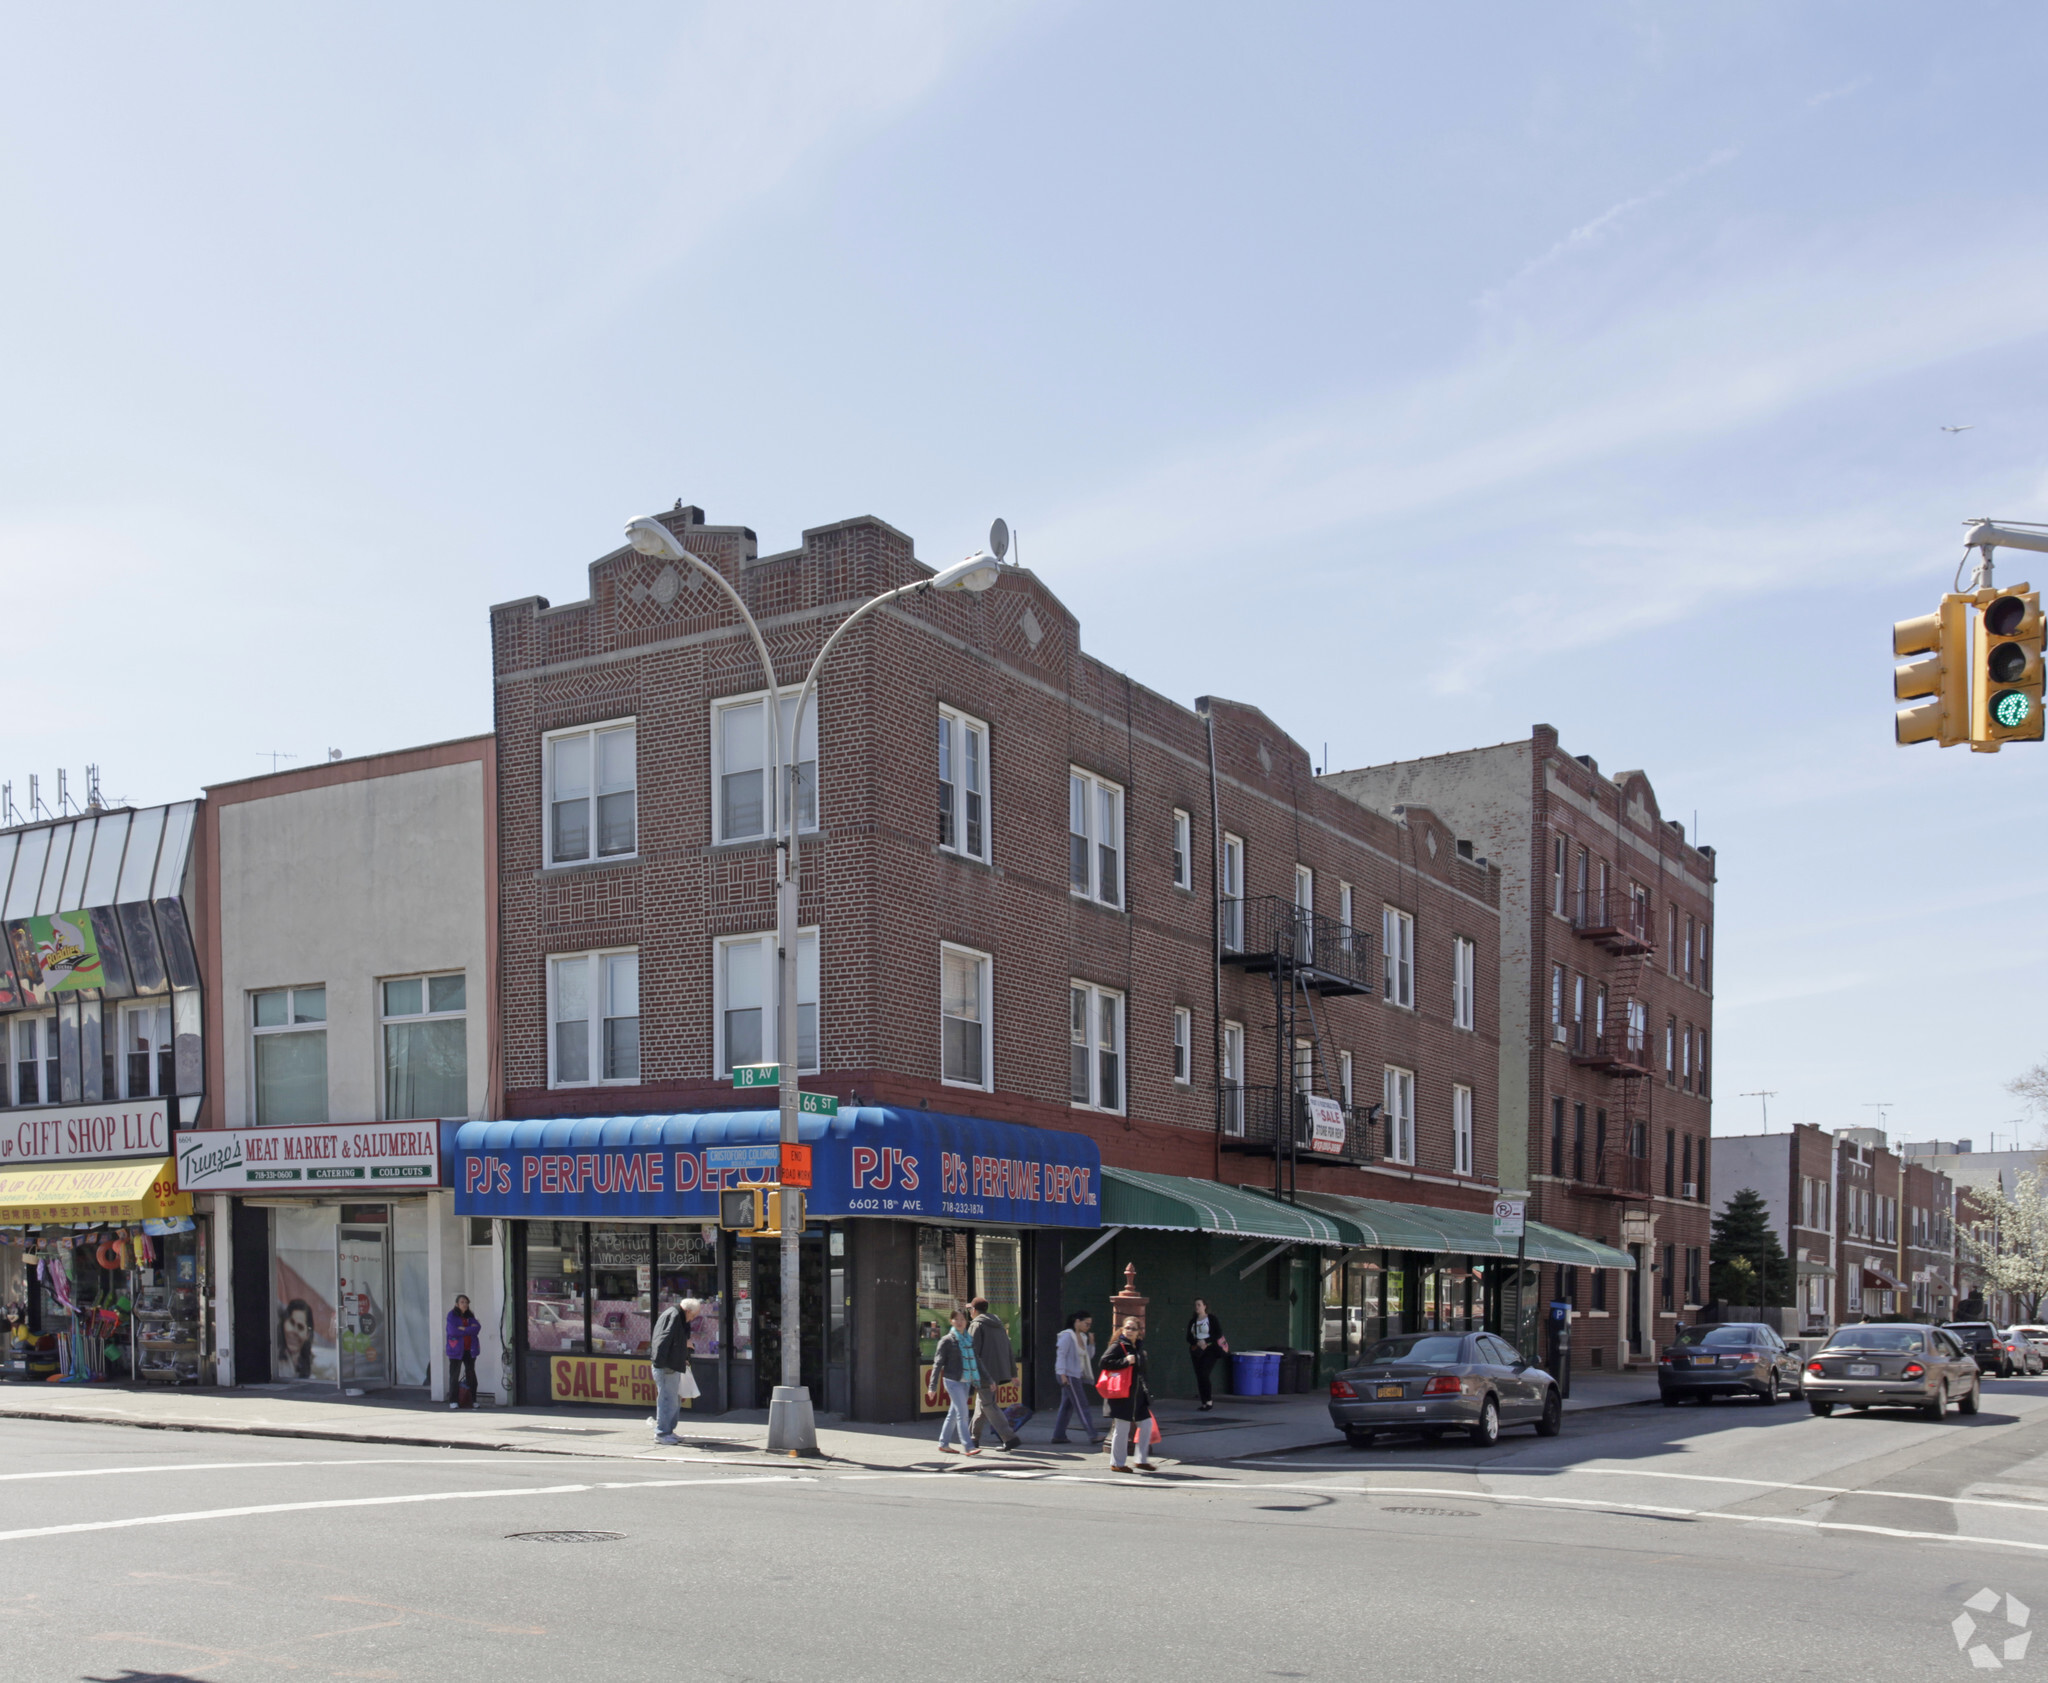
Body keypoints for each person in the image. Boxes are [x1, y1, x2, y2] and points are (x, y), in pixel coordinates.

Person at [1100, 1315, 1157, 1472]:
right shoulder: (1119, 1346)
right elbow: (1103, 1362)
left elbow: (1142, 1373)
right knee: (1122, 1428)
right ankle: (1117, 1464)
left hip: (1137, 1395)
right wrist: (1125, 1361)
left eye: (1133, 1328)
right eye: (1127, 1328)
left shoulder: (1138, 1347)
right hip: (1122, 1395)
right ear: (1122, 1330)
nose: (1130, 1331)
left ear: (1139, 1332)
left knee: (1146, 1424)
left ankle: (1141, 1460)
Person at [966, 1296, 1022, 1451]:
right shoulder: (998, 1325)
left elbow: (971, 1352)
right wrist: (1012, 1373)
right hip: (997, 1372)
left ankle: (1009, 1437)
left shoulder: (977, 1325)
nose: (969, 1312)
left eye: (970, 1309)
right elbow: (1009, 1350)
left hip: (983, 1372)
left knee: (989, 1405)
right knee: (982, 1403)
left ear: (975, 1310)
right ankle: (973, 1438)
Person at [928, 1306, 981, 1455]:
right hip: (952, 1381)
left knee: (953, 1413)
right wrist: (932, 1386)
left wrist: (989, 1380)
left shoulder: (969, 1340)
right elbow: (938, 1364)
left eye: (962, 1319)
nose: (959, 1322)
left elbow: (977, 1361)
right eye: (956, 1319)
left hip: (966, 1382)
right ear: (951, 1321)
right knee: (962, 1414)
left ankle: (943, 1443)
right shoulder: (947, 1341)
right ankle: (968, 1446)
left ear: (966, 1321)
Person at [649, 1294, 700, 1445]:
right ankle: (662, 1433)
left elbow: (671, 1339)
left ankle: (668, 1431)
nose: (693, 1319)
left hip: (670, 1364)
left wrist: (683, 1354)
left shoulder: (675, 1315)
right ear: (689, 1311)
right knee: (667, 1400)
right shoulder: (675, 1316)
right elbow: (664, 1340)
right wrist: (662, 1362)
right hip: (667, 1366)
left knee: (673, 1400)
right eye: (694, 1315)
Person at [1051, 1311, 1105, 1445]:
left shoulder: (1083, 1337)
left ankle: (1058, 1435)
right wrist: (1062, 1375)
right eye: (1086, 1323)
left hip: (1076, 1375)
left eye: (1090, 1324)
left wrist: (1092, 1343)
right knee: (1082, 1405)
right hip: (1069, 1375)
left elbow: (1088, 1356)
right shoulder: (1067, 1336)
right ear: (1077, 1321)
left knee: (1067, 1406)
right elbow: (1061, 1355)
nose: (1088, 1327)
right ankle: (1092, 1435)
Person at [1186, 1297, 1229, 1411]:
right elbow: (1189, 1337)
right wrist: (1197, 1342)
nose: (1197, 1307)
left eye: (1199, 1305)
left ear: (1205, 1306)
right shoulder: (1193, 1321)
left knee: (1205, 1373)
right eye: (1196, 1305)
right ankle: (1204, 1402)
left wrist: (1206, 1341)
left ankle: (1209, 1400)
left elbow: (1218, 1333)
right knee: (1199, 1375)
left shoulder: (1211, 1319)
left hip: (1210, 1349)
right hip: (1197, 1350)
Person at [444, 1294, 482, 1410]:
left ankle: (473, 1400)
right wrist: (468, 1330)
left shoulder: (470, 1316)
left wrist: (463, 1328)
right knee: (454, 1375)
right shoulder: (452, 1315)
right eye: (462, 1302)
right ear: (457, 1304)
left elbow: (477, 1328)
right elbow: (452, 1331)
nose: (465, 1304)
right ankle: (453, 1400)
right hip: (456, 1349)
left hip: (470, 1349)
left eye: (466, 1302)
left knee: (471, 1375)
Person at [277, 1299, 315, 1379]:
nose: (294, 1332)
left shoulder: (315, 1366)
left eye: (300, 1327)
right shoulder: (273, 1361)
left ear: (307, 1335)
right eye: (291, 1323)